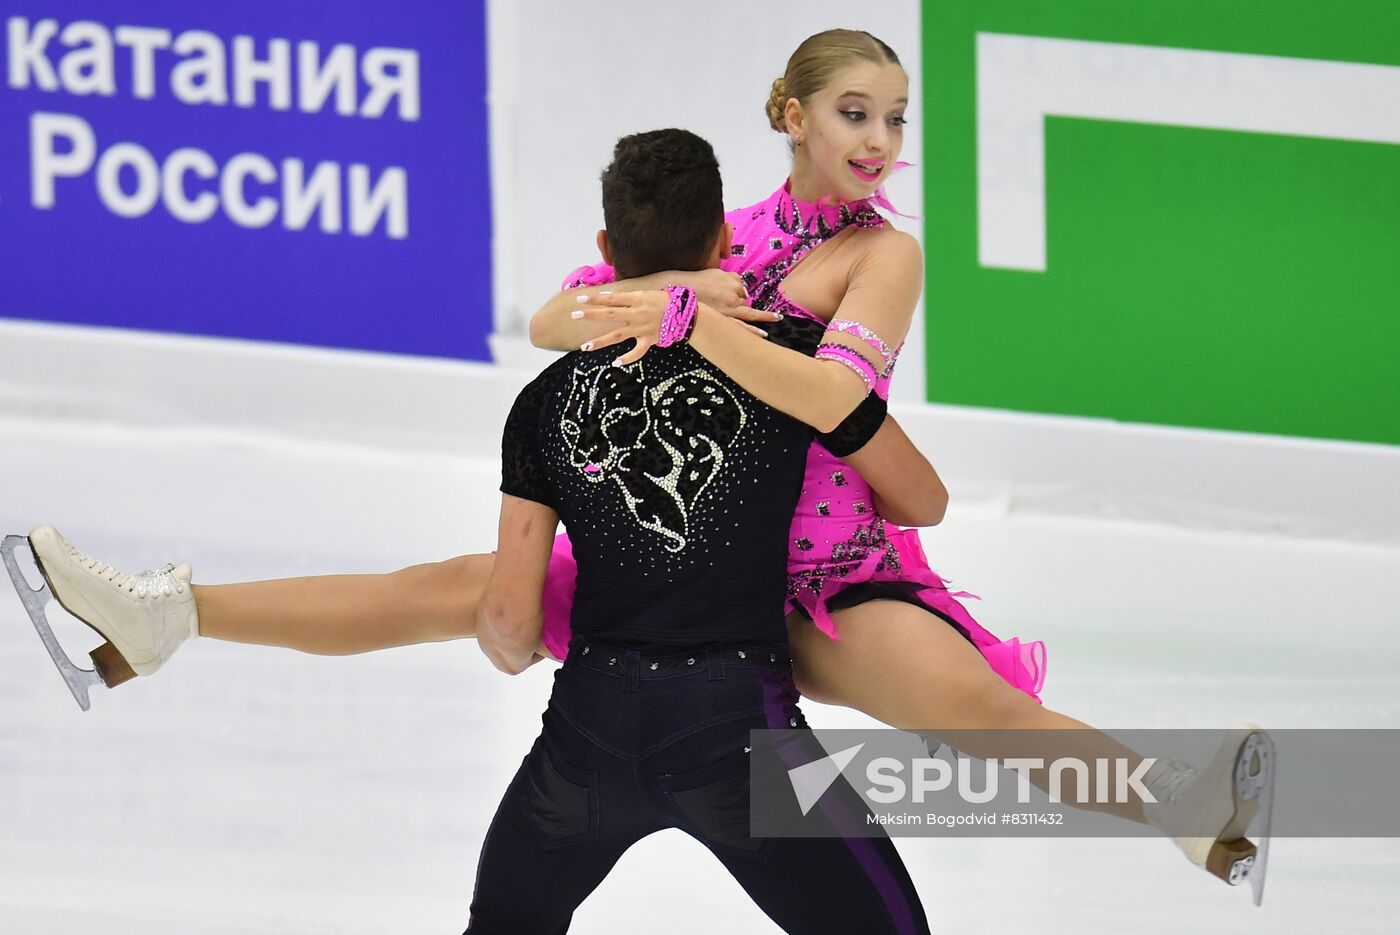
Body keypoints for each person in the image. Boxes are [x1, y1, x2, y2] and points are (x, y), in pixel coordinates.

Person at [16, 28, 1270, 901]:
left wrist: (696, 321)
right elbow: (558, 323)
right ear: (789, 116)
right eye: (853, 112)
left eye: (894, 119)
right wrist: (676, 287)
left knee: (982, 713)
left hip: (824, 570)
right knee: (443, 583)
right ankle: (166, 613)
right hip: (684, 550)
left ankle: (1191, 807)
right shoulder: (732, 231)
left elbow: (835, 397)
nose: (880, 137)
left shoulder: (880, 257)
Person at [463, 126, 930, 933]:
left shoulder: (541, 402)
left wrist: (511, 647)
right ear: (722, 239)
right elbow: (921, 497)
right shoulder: (790, 365)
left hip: (585, 735)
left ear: (607, 247)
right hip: (738, 733)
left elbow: (509, 620)